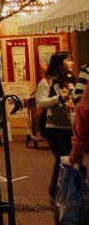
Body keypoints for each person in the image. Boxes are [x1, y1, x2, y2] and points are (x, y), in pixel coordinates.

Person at [36, 51, 75, 199]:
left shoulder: (72, 81)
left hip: (70, 126)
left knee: (69, 159)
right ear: (59, 64)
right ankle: (57, 191)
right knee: (63, 157)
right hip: (53, 127)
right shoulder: (46, 82)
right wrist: (58, 99)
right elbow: (40, 102)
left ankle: (64, 189)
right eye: (68, 60)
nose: (71, 63)